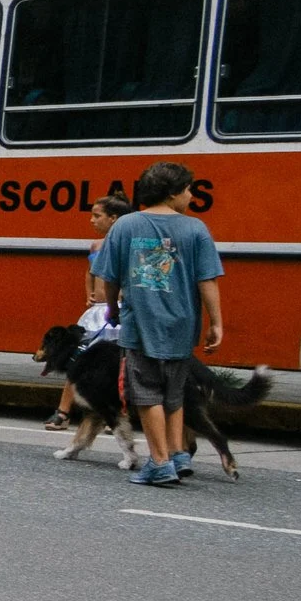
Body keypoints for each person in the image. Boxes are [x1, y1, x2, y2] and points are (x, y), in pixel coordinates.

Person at [92, 161, 224, 488]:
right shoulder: (196, 229)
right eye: (189, 190)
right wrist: (216, 323)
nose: (192, 196)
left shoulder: (125, 226)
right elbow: (208, 280)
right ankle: (178, 454)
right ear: (173, 193)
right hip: (182, 323)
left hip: (141, 323)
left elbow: (108, 276)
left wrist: (112, 308)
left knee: (147, 393)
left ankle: (160, 463)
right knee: (173, 392)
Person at [48, 195, 132, 429]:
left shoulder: (127, 245)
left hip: (117, 312)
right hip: (96, 312)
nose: (92, 220)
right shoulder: (96, 245)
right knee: (78, 359)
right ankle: (63, 411)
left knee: (118, 364)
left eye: (97, 216)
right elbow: (90, 272)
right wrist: (89, 294)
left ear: (114, 218)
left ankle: (115, 411)